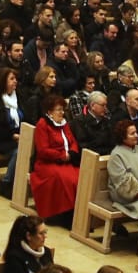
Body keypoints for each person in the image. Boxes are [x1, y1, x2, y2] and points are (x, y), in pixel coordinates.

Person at [29, 94, 81, 225]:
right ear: (49, 112)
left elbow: (73, 142)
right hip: (47, 163)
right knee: (64, 179)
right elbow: (43, 150)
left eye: (63, 109)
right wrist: (62, 156)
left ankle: (77, 214)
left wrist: (71, 153)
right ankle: (61, 215)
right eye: (59, 110)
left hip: (66, 161)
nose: (62, 112)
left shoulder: (64, 123)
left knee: (79, 177)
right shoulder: (42, 124)